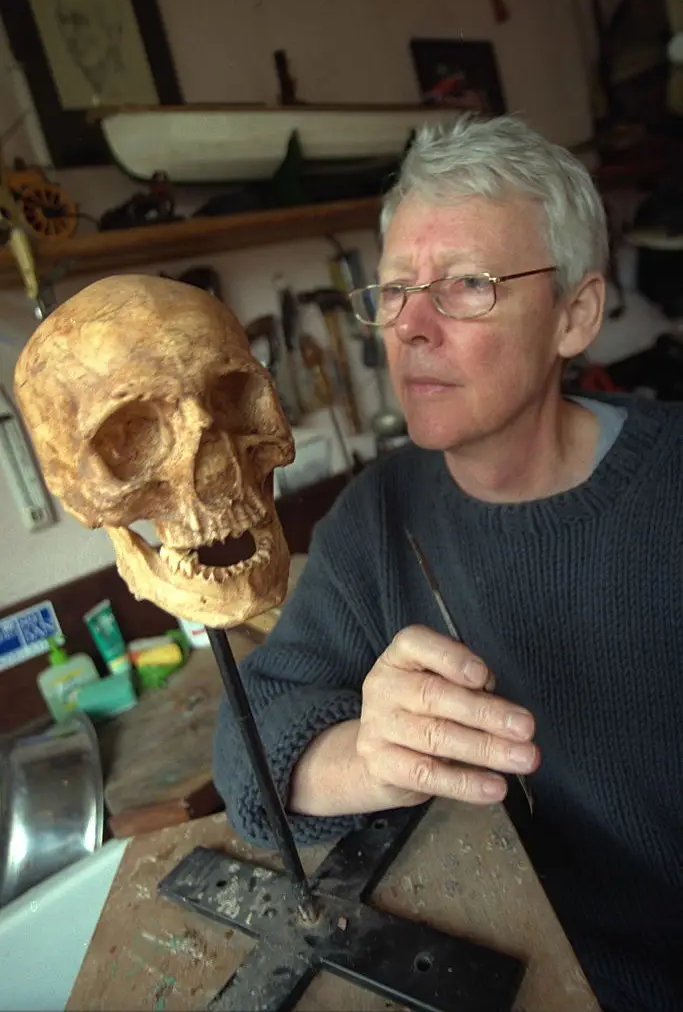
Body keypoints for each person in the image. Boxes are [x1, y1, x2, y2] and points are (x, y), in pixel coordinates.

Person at [213, 113, 683, 1012]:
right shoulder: (374, 517)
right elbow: (245, 742)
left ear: (573, 316)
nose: (410, 328)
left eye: (466, 285)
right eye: (392, 290)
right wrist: (366, 758)